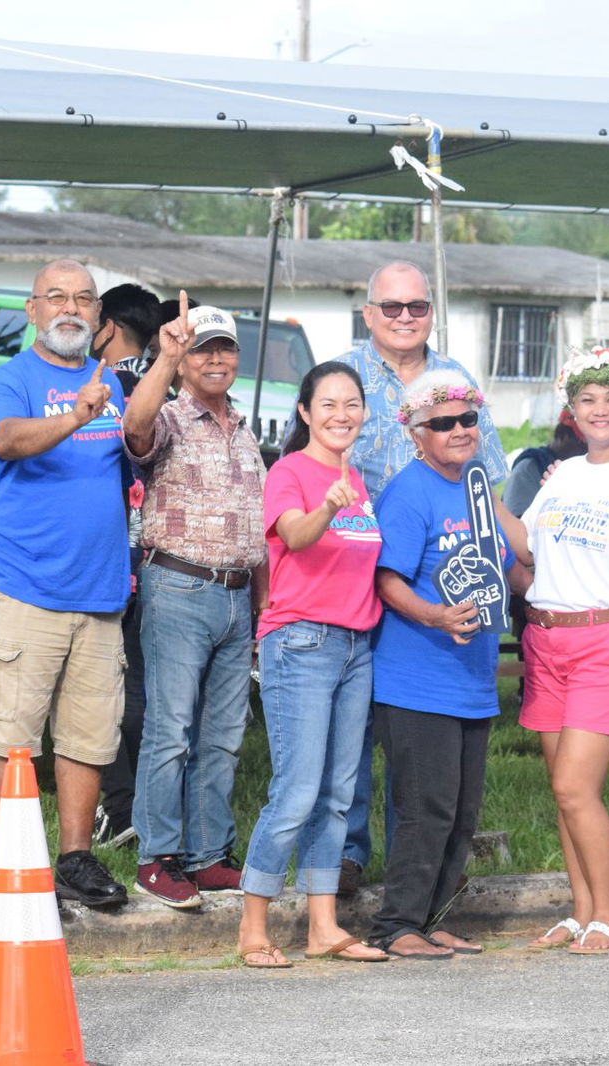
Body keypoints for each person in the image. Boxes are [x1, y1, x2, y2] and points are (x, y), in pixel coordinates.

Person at [332, 260, 508, 895]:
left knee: (420, 727)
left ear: (431, 311)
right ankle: (348, 853)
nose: (405, 318)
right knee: (357, 716)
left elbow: (486, 472)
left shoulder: (455, 379)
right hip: (351, 557)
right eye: (392, 307)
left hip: (436, 562)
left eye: (417, 307)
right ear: (368, 312)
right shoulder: (343, 374)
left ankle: (420, 865)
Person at [0, 258, 130, 908]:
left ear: (98, 316)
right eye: (55, 297)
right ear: (31, 311)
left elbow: (142, 439)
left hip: (99, 592)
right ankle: (18, 865)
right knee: (10, 734)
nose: (69, 308)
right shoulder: (11, 379)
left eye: (83, 299)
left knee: (89, 736)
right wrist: (76, 416)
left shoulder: (115, 382)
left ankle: (75, 861)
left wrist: (162, 367)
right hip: (22, 585)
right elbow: (4, 441)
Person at [366, 370, 531, 959]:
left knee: (461, 812)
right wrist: (435, 616)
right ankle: (396, 925)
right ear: (416, 434)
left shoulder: (478, 487)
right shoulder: (410, 492)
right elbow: (386, 579)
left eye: (468, 419)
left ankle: (432, 918)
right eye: (443, 423)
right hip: (417, 679)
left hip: (471, 679)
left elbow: (517, 564)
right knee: (425, 807)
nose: (460, 430)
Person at [236, 362, 388, 967]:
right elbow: (294, 537)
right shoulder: (291, 472)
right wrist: (327, 506)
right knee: (296, 791)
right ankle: (254, 925)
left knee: (337, 793)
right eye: (328, 404)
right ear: (305, 412)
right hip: (301, 642)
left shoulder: (361, 480)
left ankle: (323, 924)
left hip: (356, 647)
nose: (341, 415)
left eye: (351, 404)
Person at [520, 346, 609, 955]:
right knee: (564, 788)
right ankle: (580, 910)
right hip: (547, 637)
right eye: (587, 400)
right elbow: (524, 548)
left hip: (608, 639)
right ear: (571, 411)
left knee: (577, 787)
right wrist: (470, 481)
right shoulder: (562, 474)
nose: (599, 409)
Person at [122, 299, 264, 907]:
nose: (215, 359)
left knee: (224, 735)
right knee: (172, 730)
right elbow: (134, 429)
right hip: (178, 586)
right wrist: (166, 357)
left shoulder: (245, 426)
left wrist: (262, 612)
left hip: (237, 596)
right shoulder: (172, 416)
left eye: (224, 348)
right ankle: (157, 857)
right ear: (181, 361)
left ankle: (207, 855)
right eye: (202, 349)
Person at [91, 282, 164, 849]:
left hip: (117, 557)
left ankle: (122, 807)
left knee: (112, 689)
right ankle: (151, 807)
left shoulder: (107, 388)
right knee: (150, 687)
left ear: (108, 326)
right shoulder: (172, 384)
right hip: (169, 561)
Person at [503, 412, 585, 517]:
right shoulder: (528, 469)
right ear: (562, 437)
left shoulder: (580, 469)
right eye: (581, 443)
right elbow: (515, 520)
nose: (585, 449)